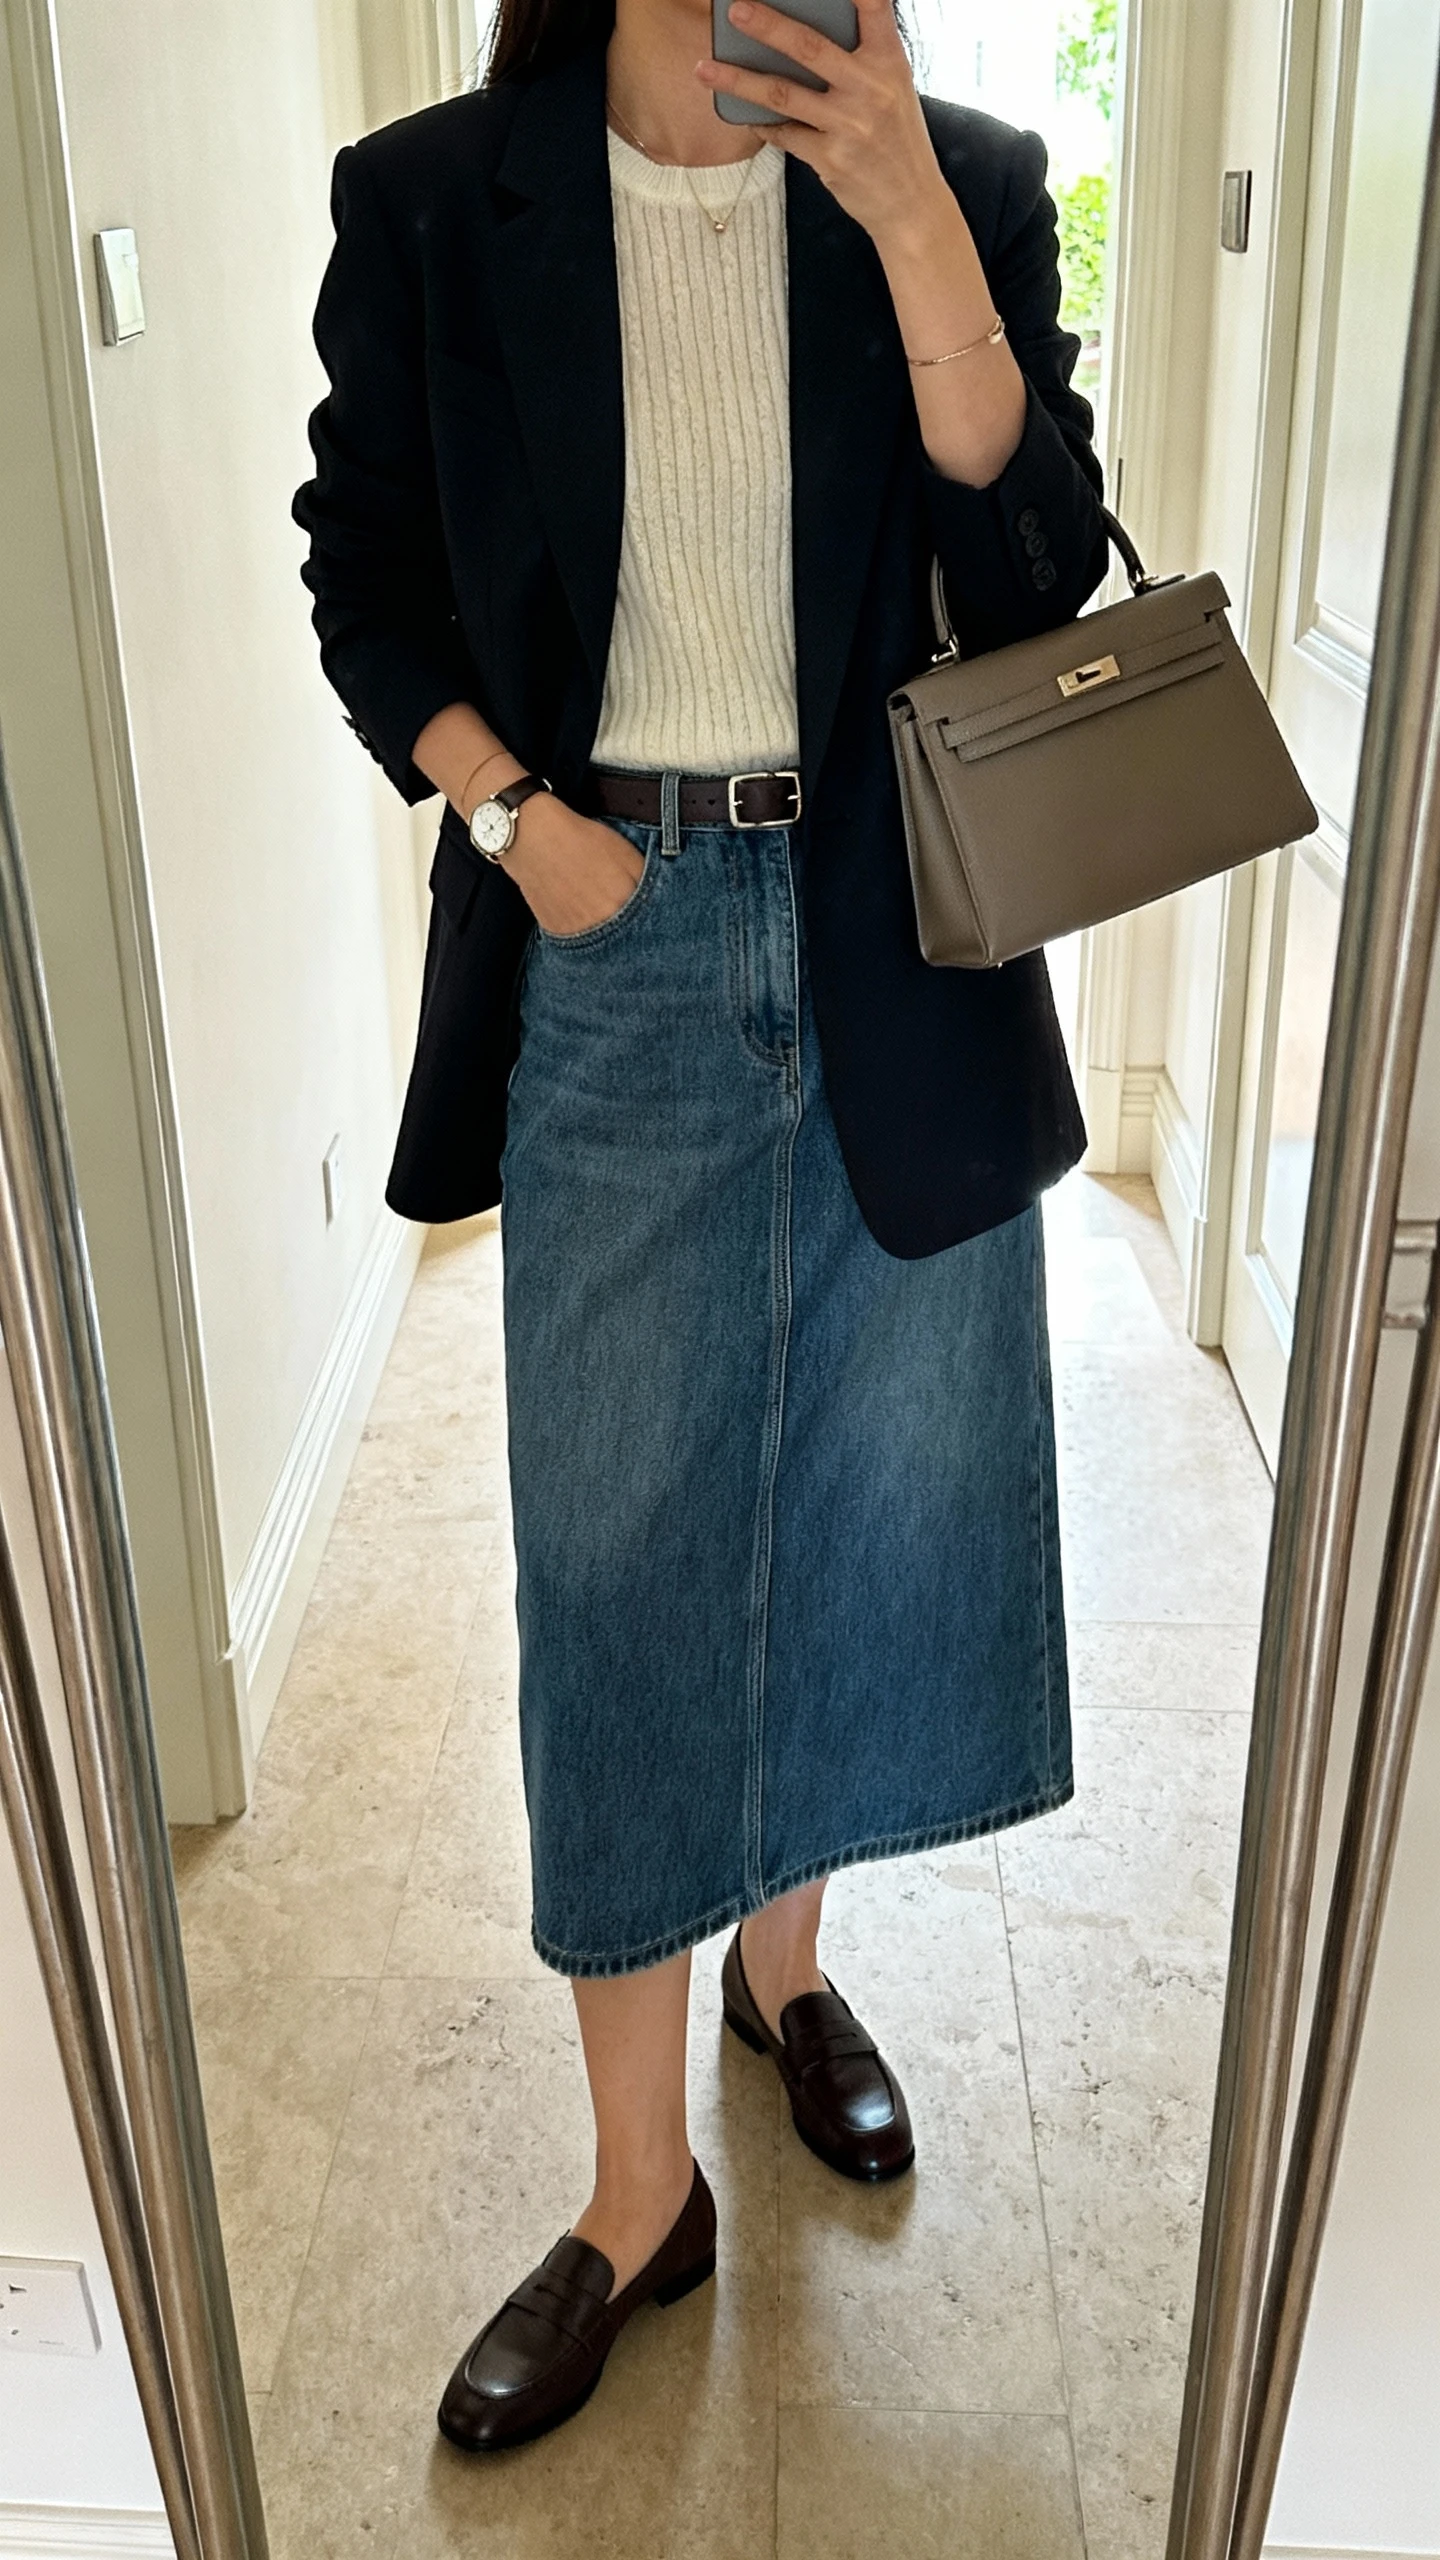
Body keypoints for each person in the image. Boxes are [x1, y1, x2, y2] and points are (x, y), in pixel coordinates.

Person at [293, 0, 1108, 2455]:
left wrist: (901, 223)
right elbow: (365, 574)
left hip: (892, 931)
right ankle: (640, 2189)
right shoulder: (440, 193)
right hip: (613, 937)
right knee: (628, 1557)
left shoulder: (951, 170)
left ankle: (789, 1971)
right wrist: (513, 812)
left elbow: (1040, 553)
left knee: (862, 1500)